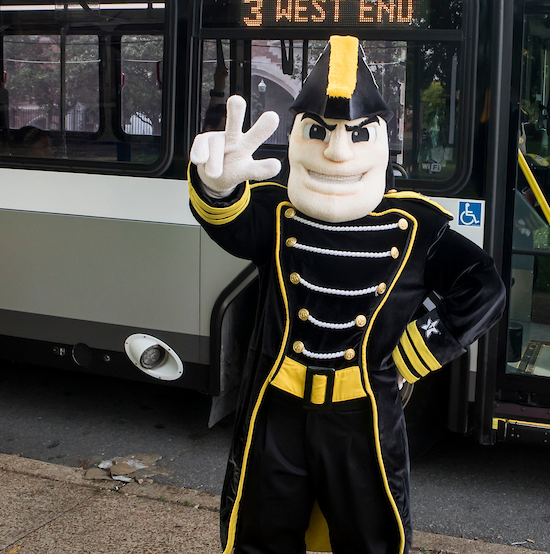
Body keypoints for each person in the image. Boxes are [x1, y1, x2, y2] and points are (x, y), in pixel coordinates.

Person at [188, 35, 504, 554]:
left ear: (382, 139)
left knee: (370, 536)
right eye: (318, 131)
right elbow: (228, 222)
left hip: (365, 415)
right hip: (277, 409)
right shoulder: (277, 211)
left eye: (357, 134)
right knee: (259, 534)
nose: (337, 151)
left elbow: (483, 285)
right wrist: (218, 187)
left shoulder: (416, 225)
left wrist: (415, 353)